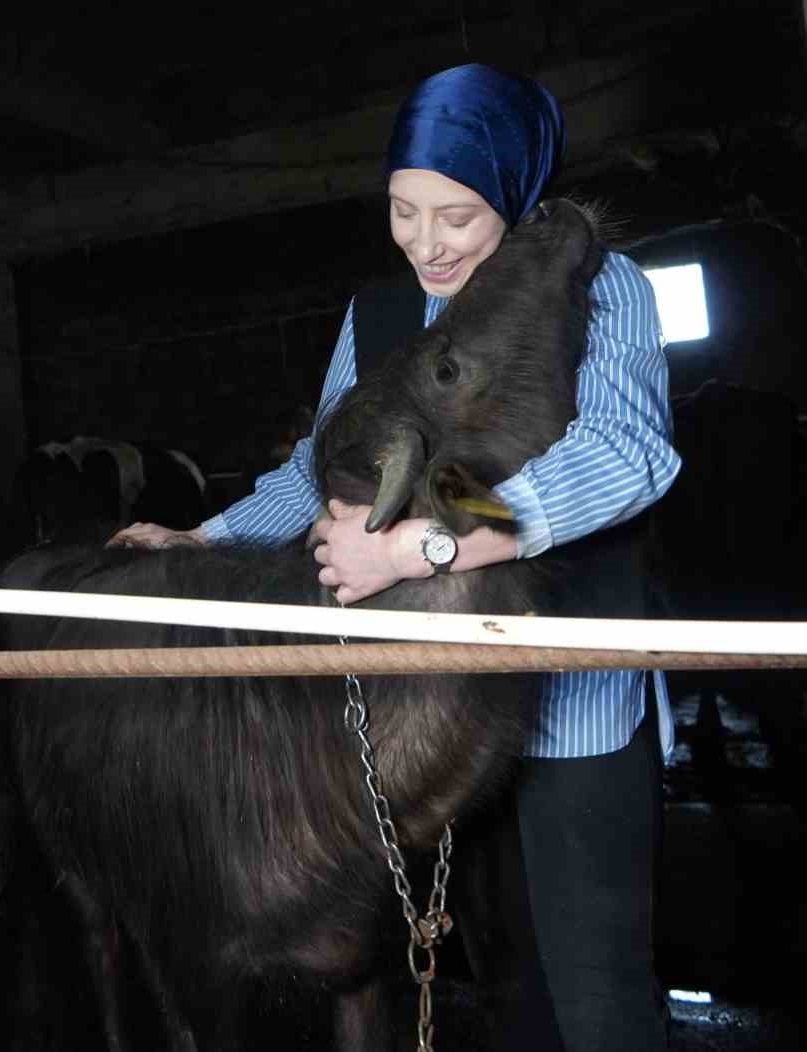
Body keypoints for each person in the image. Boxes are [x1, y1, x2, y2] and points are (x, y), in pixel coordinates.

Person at [110, 63, 682, 1051]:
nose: (426, 242)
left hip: (571, 706)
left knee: (594, 986)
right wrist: (205, 536)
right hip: (424, 711)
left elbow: (623, 454)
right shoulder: (379, 316)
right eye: (403, 210)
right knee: (491, 975)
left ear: (511, 192)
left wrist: (420, 544)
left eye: (455, 215)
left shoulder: (599, 287)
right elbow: (324, 460)